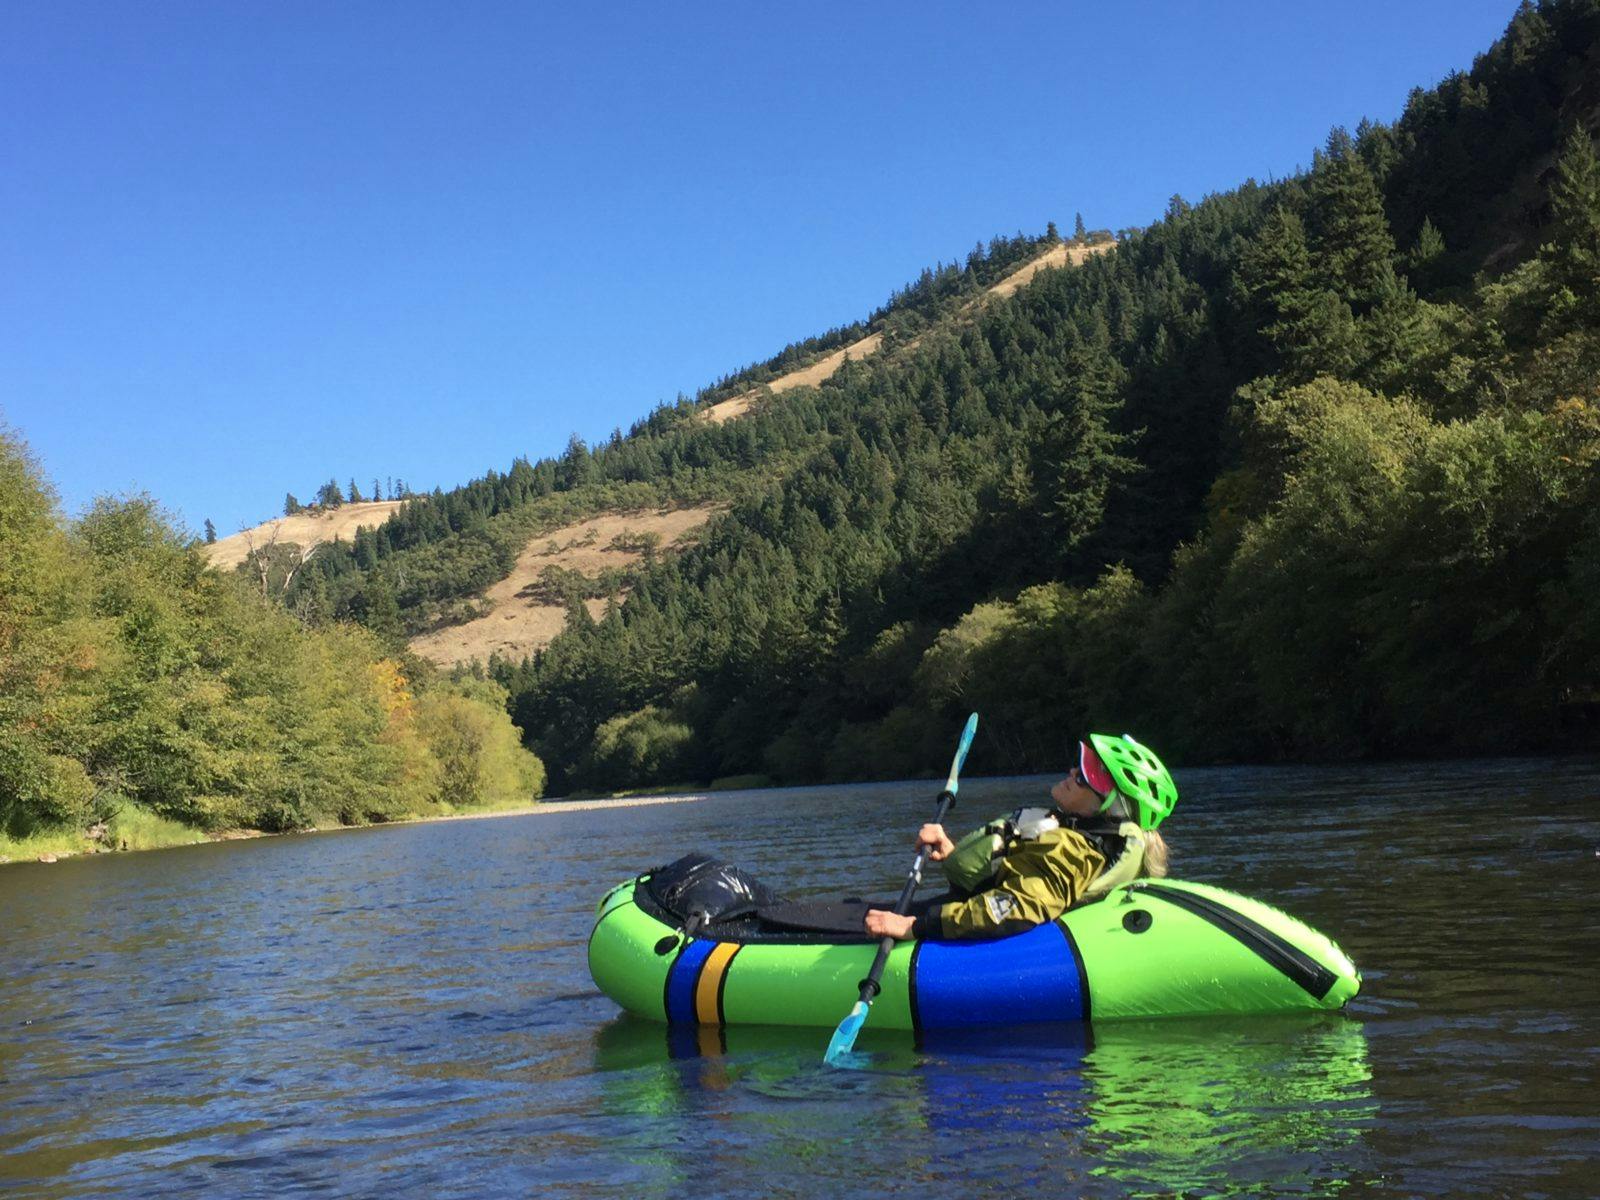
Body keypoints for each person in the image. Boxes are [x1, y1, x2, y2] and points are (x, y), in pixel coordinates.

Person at [864, 732, 1176, 941]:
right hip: (964, 905)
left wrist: (915, 926)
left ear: (1110, 808)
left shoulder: (1076, 851)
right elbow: (1021, 880)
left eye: (1088, 775)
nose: (1073, 773)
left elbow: (1015, 906)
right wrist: (955, 853)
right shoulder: (1072, 835)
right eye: (1082, 765)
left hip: (960, 924)